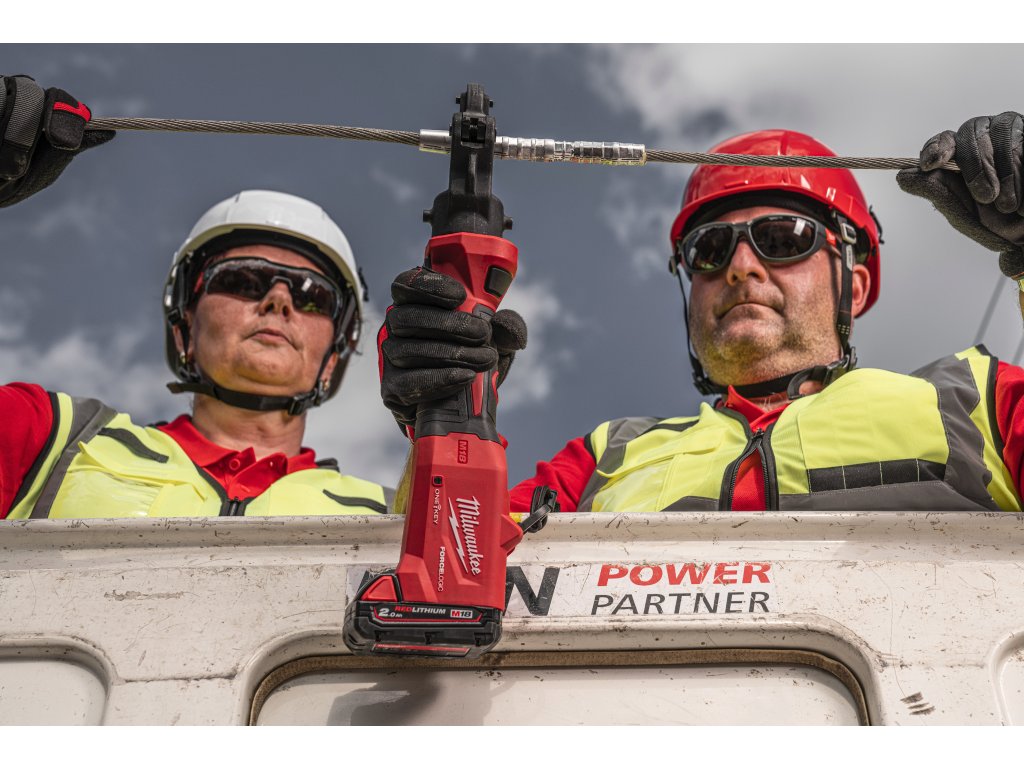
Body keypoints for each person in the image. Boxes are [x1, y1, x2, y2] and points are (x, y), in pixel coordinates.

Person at [379, 112, 1024, 513]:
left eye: (782, 238)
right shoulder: (601, 459)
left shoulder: (976, 402)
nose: (741, 266)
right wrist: (440, 417)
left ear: (853, 286)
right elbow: (450, 577)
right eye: (710, 249)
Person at [0, 75, 392, 519]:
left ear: (336, 355)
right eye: (244, 280)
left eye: (312, 296)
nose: (279, 301)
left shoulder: (401, 517)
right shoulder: (50, 439)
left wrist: (449, 413)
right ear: (184, 325)